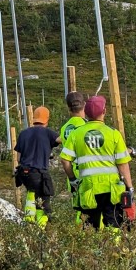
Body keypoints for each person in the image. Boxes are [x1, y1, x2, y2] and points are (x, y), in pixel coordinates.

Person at [60, 95, 134, 238]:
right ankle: (113, 252)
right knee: (113, 224)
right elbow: (123, 164)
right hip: (111, 188)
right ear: (104, 111)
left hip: (88, 188)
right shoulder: (113, 133)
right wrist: (129, 187)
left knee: (90, 225)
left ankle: (91, 255)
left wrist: (73, 179)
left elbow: (65, 160)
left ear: (86, 112)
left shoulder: (76, 134)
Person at [13, 106, 60, 228]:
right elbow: (62, 140)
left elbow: (18, 158)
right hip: (39, 173)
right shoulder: (49, 133)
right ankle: (41, 228)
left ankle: (29, 220)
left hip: (24, 173)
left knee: (31, 192)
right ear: (47, 119)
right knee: (44, 201)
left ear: (34, 119)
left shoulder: (23, 133)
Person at [60, 91, 87, 224]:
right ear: (84, 105)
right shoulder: (85, 126)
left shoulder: (64, 128)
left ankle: (79, 236)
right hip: (85, 171)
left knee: (78, 207)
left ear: (68, 107)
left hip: (71, 172)